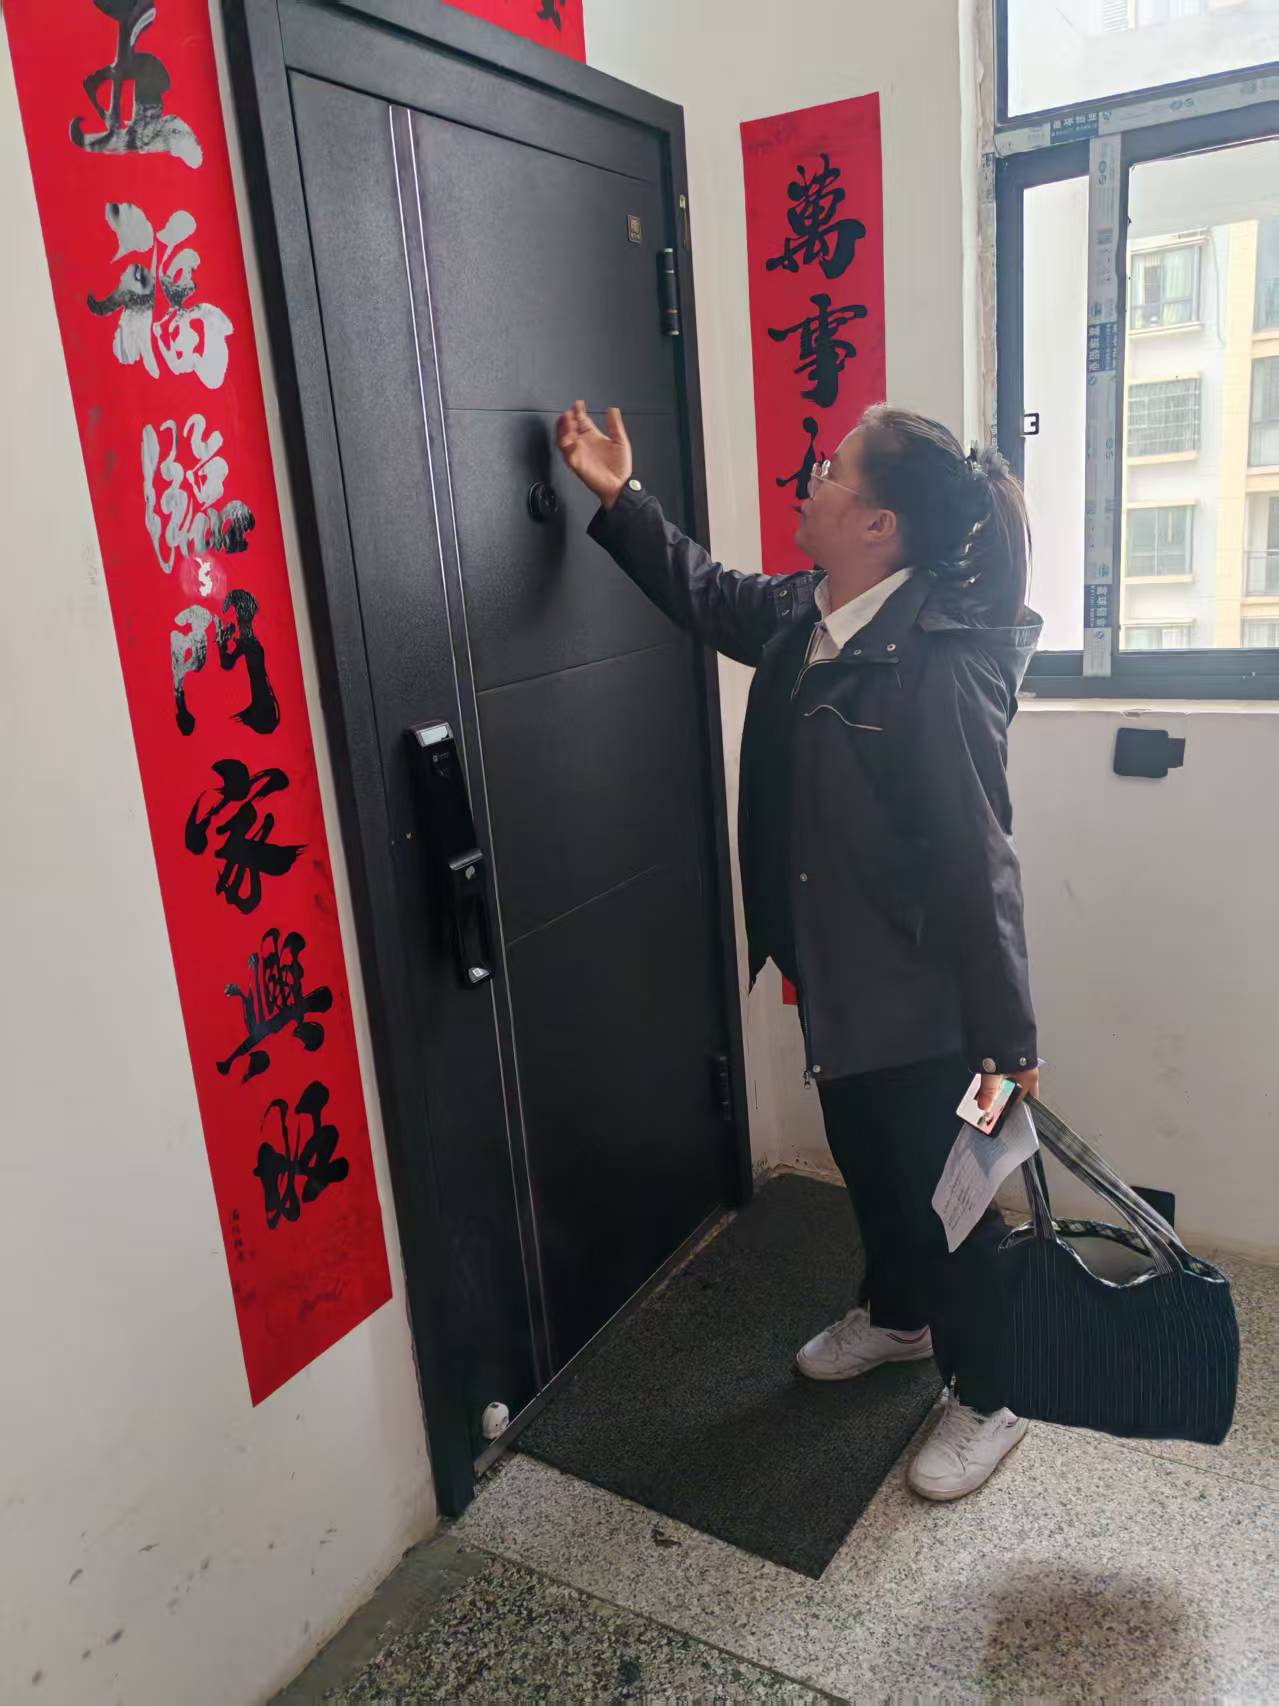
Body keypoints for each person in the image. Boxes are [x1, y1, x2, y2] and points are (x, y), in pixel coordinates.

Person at [556, 399, 1042, 1502]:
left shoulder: (939, 662)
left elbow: (980, 863)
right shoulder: (807, 611)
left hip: (930, 1000)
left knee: (954, 1200)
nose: (809, 481)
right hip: (837, 974)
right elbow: (708, 593)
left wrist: (1007, 1045)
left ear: (877, 523)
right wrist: (621, 497)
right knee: (869, 1163)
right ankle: (900, 1319)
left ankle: (992, 1393)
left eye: (830, 471)